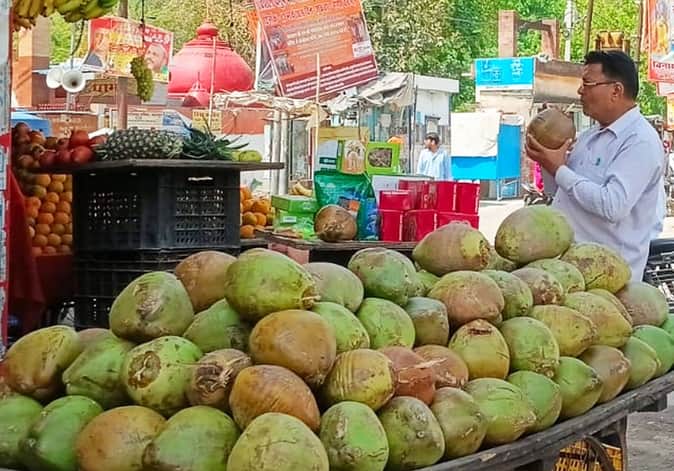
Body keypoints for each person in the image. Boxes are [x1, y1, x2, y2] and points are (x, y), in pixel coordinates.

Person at [525, 50, 665, 282]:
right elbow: (561, 192)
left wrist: (559, 169)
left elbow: (613, 206)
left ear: (616, 91)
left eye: (588, 84)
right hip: (571, 268)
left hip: (607, 278)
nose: (580, 91)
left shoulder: (640, 141)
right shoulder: (590, 136)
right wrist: (546, 160)